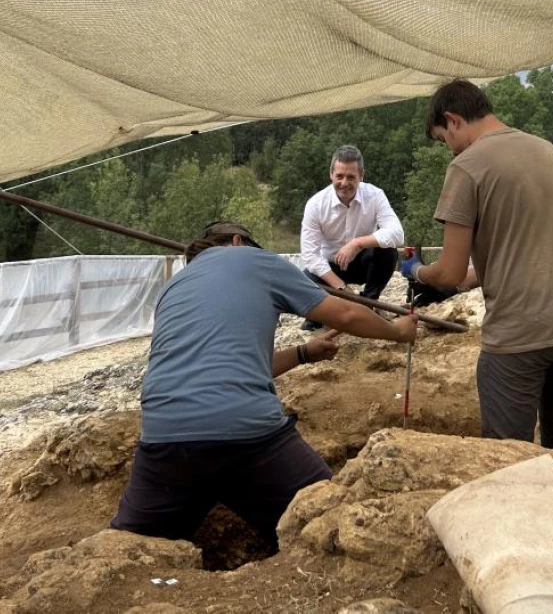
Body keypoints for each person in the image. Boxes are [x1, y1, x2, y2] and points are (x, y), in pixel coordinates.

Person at [111, 220, 416, 545]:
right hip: (248, 436)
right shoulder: (254, 260)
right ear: (239, 241)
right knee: (332, 523)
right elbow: (345, 314)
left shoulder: (173, 287)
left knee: (129, 549)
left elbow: (233, 366)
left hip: (164, 439)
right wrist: (397, 331)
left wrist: (303, 353)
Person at [401, 80, 553, 449]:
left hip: (524, 327)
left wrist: (416, 270)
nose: (448, 149)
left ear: (453, 120)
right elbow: (522, 251)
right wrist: (467, 277)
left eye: (443, 138)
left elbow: (447, 274)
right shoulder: (547, 151)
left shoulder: (467, 167)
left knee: (506, 454)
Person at [300, 145, 404, 330]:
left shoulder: (375, 195)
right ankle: (320, 315)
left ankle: (369, 302)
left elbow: (397, 233)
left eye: (351, 177)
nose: (344, 183)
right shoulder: (315, 205)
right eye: (339, 176)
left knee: (388, 251)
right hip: (330, 271)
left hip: (363, 263)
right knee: (306, 277)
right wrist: (341, 288)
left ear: (361, 176)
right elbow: (310, 255)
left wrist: (358, 243)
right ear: (331, 174)